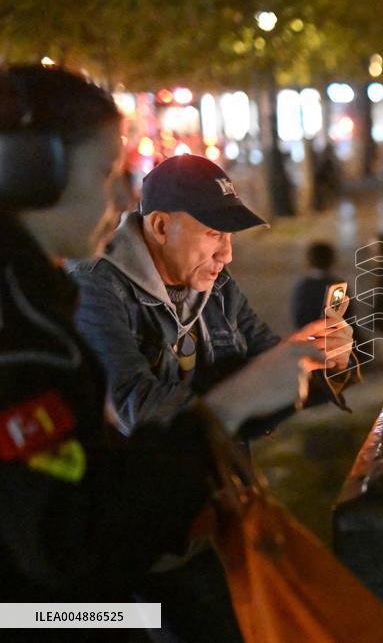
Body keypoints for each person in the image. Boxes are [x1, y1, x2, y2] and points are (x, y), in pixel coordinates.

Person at [0, 65, 347, 641]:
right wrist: (220, 414)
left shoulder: (37, 300)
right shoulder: (21, 335)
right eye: (107, 173)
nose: (121, 197)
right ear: (31, 172)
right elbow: (65, 540)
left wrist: (302, 366)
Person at [71, 155, 345, 436]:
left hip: (218, 471)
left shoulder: (218, 286)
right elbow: (134, 407)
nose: (226, 255)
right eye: (214, 234)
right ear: (160, 227)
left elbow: (266, 355)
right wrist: (243, 393)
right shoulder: (95, 288)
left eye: (229, 237)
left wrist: (315, 357)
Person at [290, 241, 345, 329]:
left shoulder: (303, 287)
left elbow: (299, 318)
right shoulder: (338, 285)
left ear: (308, 261)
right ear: (332, 260)